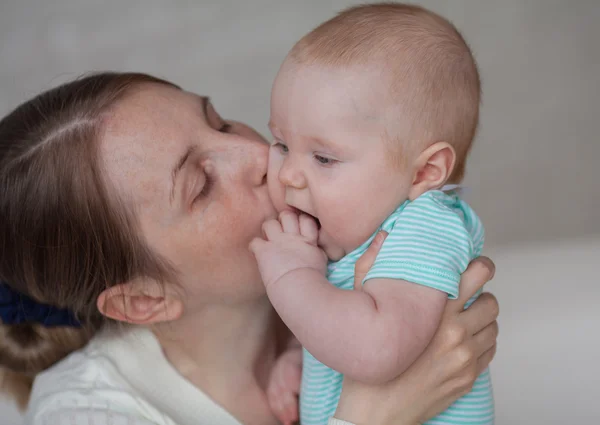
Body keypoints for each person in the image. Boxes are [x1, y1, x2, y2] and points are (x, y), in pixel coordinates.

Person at [0, 72, 499, 425]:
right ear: (143, 299)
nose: (262, 153)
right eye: (201, 185)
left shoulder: (361, 278)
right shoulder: (87, 415)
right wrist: (373, 413)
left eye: (219, 123)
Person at [249, 4, 493, 425]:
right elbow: (344, 323)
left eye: (323, 158)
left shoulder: (425, 227)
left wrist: (291, 276)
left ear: (425, 172)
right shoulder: (351, 234)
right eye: (282, 145)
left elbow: (377, 348)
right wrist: (301, 356)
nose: (288, 173)